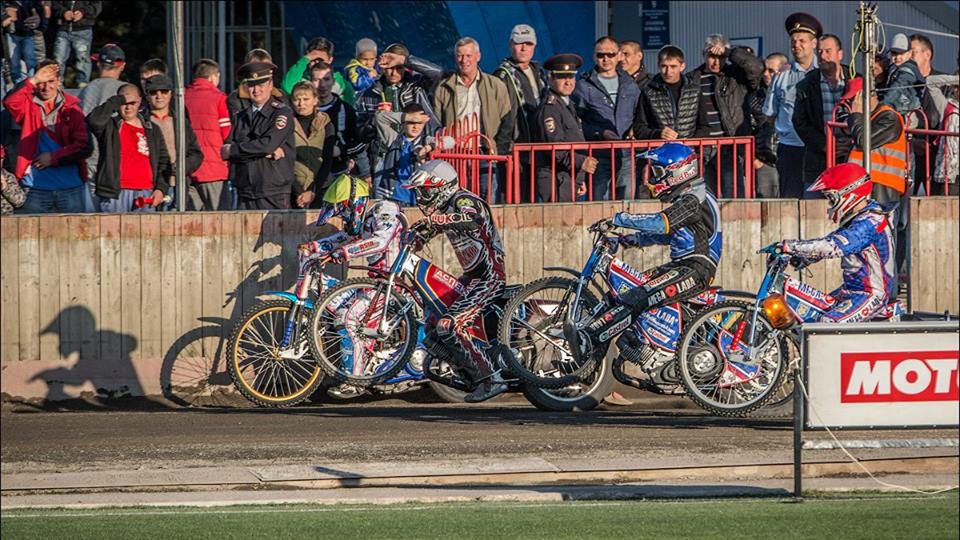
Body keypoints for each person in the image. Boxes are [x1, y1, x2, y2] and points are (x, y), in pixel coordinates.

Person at [574, 143, 722, 366]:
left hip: (694, 270)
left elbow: (661, 223)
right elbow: (668, 235)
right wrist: (625, 240)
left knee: (639, 296)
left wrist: (619, 219)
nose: (652, 180)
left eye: (657, 173)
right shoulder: (691, 196)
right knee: (624, 291)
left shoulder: (694, 198)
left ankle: (592, 336)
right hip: (682, 267)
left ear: (677, 171)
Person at [404, 159, 508, 403]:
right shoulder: (444, 211)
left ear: (441, 186)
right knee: (432, 329)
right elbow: (423, 236)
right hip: (472, 278)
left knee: (449, 326)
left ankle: (492, 379)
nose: (421, 196)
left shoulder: (463, 200)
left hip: (490, 276)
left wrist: (436, 221)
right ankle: (470, 373)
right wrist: (411, 238)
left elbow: (471, 220)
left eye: (425, 190)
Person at [297, 175, 406, 399]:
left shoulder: (385, 209)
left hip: (392, 285)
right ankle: (363, 364)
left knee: (348, 319)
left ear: (354, 201)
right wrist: (315, 246)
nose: (343, 217)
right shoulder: (362, 220)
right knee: (338, 309)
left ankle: (355, 382)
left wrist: (344, 253)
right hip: (374, 285)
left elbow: (380, 241)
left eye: (342, 211)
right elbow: (342, 238)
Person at [771, 163, 895, 322]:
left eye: (831, 198)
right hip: (851, 290)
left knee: (827, 324)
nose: (829, 204)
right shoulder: (858, 219)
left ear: (848, 194)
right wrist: (800, 258)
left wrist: (790, 246)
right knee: (814, 314)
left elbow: (834, 246)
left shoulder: (871, 221)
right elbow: (829, 242)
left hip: (871, 294)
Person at [432, 37, 514, 203]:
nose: (464, 60)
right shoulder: (444, 87)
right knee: (456, 201)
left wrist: (497, 150)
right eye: (460, 56)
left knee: (486, 201)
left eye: (468, 55)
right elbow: (437, 121)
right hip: (455, 155)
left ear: (478, 56)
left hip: (484, 153)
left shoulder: (495, 85)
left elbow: (508, 120)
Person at [3, 59, 91, 213]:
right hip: (34, 188)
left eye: (51, 81)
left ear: (59, 81)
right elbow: (10, 102)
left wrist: (53, 158)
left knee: (75, 236)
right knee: (29, 236)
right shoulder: (28, 105)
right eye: (41, 82)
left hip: (70, 187)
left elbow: (84, 146)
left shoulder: (73, 109)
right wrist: (34, 79)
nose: (46, 87)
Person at [690, 34, 763, 198]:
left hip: (730, 146)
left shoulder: (736, 77)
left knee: (734, 197)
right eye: (711, 57)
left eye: (721, 57)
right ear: (704, 55)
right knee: (705, 199)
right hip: (703, 148)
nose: (716, 62)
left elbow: (756, 67)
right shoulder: (692, 79)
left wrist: (730, 52)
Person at [573, 36, 641, 201]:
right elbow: (577, 122)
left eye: (610, 54)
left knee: (627, 204)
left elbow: (640, 115)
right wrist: (600, 132)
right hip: (598, 155)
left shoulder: (630, 84)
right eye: (601, 55)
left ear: (619, 56)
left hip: (626, 154)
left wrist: (635, 129)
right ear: (594, 56)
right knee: (598, 204)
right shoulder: (583, 85)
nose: (606, 59)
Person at [221, 61, 296, 210]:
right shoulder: (241, 116)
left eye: (261, 85)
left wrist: (237, 150)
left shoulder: (281, 113)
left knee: (276, 233)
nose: (256, 90)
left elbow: (267, 144)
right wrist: (261, 152)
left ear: (270, 84)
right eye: (251, 85)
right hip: (246, 189)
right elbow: (226, 152)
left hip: (273, 190)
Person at [764, 12, 821, 198]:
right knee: (790, 202)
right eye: (794, 41)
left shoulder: (824, 75)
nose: (796, 45)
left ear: (814, 43)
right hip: (791, 149)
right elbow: (770, 113)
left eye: (802, 40)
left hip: (819, 148)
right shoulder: (782, 77)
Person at [86, 84, 170, 212]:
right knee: (114, 231)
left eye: (132, 103)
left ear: (140, 101)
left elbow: (163, 161)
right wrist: (116, 100)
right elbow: (93, 121)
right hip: (115, 194)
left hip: (146, 192)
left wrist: (160, 189)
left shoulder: (152, 129)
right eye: (124, 103)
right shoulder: (110, 126)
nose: (128, 107)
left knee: (145, 231)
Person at [793, 33, 855, 191]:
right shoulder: (806, 84)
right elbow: (800, 122)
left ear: (840, 54)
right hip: (819, 160)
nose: (823, 56)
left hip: (852, 156)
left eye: (828, 51)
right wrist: (824, 145)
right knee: (815, 208)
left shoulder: (855, 80)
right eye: (820, 52)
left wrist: (854, 141)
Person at [533, 53, 597, 202]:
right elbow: (555, 148)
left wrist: (579, 177)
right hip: (555, 177)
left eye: (571, 77)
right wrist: (582, 162)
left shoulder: (568, 105)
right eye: (562, 77)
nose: (568, 82)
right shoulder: (550, 108)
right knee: (559, 223)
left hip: (568, 176)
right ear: (551, 79)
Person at [493, 24, 546, 203]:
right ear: (510, 45)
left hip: (539, 148)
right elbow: (502, 117)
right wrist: (504, 150)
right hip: (514, 149)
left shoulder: (540, 72)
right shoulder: (502, 75)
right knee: (513, 197)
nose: (524, 48)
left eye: (528, 44)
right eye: (519, 43)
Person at [143, 74, 203, 209]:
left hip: (178, 185)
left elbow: (197, 154)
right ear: (146, 95)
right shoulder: (141, 123)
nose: (159, 96)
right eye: (153, 92)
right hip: (150, 187)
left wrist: (182, 167)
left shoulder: (181, 122)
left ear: (171, 93)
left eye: (164, 91)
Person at [183, 58, 232, 210]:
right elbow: (227, 133)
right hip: (214, 168)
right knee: (220, 218)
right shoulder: (219, 98)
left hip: (188, 168)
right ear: (213, 77)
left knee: (191, 221)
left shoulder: (182, 96)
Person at [78, 43, 127, 182]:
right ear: (122, 66)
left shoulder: (85, 91)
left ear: (98, 64)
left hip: (89, 159)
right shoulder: (125, 91)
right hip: (116, 162)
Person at [311, 60, 367, 181]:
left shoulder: (345, 109)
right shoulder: (304, 110)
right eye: (316, 80)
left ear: (333, 81)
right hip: (310, 172)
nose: (322, 85)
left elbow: (358, 143)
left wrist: (341, 150)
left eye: (326, 79)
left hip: (339, 172)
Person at [632, 45, 700, 142]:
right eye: (664, 66)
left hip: (687, 152)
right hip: (660, 152)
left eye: (673, 66)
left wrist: (691, 143)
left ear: (682, 66)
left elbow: (705, 126)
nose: (668, 72)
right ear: (658, 66)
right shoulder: (648, 91)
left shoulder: (695, 90)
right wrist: (658, 134)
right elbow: (639, 128)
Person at [372, 102, 436, 205]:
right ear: (404, 123)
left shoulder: (426, 140)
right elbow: (379, 118)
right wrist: (408, 116)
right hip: (394, 196)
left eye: (419, 123)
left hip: (418, 199)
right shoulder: (393, 139)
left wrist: (429, 147)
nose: (415, 126)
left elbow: (450, 141)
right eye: (411, 122)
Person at [908, 34, 946, 195]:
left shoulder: (943, 83)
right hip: (909, 158)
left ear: (927, 54)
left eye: (913, 52)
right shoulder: (903, 83)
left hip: (935, 158)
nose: (908, 57)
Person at [290, 80, 335, 208]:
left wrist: (313, 191)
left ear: (315, 100)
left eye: (306, 99)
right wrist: (300, 192)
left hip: (321, 186)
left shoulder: (326, 123)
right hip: (294, 189)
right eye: (297, 99)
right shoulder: (287, 124)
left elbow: (327, 160)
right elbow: (286, 161)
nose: (301, 104)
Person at [751, 53, 788, 198]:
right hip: (766, 162)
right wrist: (755, 159)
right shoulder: (755, 97)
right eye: (764, 70)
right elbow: (749, 128)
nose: (766, 74)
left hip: (790, 156)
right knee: (766, 207)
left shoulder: (794, 92)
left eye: (771, 71)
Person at [281, 36, 354, 106]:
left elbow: (350, 105)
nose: (317, 63)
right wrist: (305, 59)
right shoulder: (302, 80)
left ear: (330, 60)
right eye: (312, 60)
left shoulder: (340, 83)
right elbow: (287, 88)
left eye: (321, 60)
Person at [226, 48, 290, 124]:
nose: (261, 72)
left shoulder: (281, 96)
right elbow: (238, 127)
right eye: (256, 68)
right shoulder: (236, 98)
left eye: (266, 68)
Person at [51, 1, 100, 88]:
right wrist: (63, 12)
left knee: (82, 59)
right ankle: (56, 84)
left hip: (83, 30)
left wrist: (82, 12)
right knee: (58, 59)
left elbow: (96, 7)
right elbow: (54, 4)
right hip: (63, 30)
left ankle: (83, 85)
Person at [3, 0, 46, 84]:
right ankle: (17, 85)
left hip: (28, 33)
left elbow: (40, 10)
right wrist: (5, 15)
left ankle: (31, 84)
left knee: (31, 61)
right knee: (14, 63)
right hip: (12, 34)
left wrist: (39, 19)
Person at [881, 33, 922, 117]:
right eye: (894, 53)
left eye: (901, 53)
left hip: (909, 113)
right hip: (896, 110)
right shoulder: (893, 68)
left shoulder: (908, 70)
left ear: (910, 53)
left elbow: (898, 88)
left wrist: (882, 105)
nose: (897, 57)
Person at [1, 146, 26, 214]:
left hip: (6, 220)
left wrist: (5, 188)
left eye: (1, 158)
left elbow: (20, 202)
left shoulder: (8, 176)